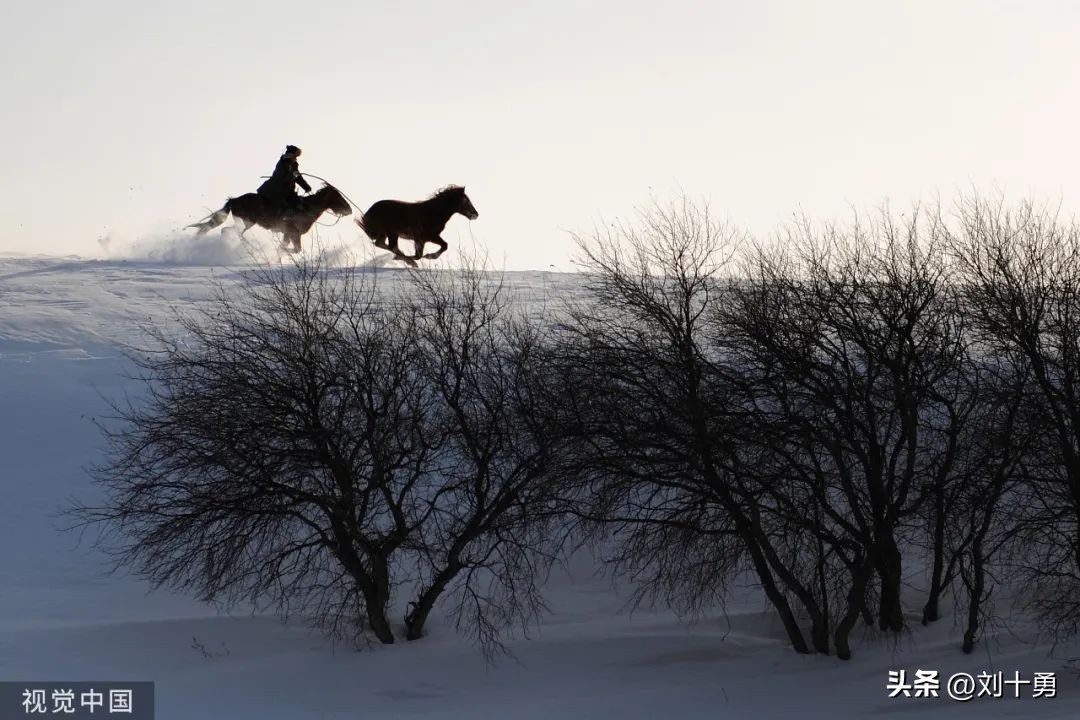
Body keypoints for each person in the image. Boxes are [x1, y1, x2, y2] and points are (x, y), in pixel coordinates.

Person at [256, 145, 312, 217]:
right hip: (276, 189)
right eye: (295, 156)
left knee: (299, 203)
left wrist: (306, 187)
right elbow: (283, 178)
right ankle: (283, 220)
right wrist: (293, 175)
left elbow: (298, 177)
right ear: (291, 155)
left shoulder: (293, 165)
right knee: (292, 204)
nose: (296, 159)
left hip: (287, 190)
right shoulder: (282, 163)